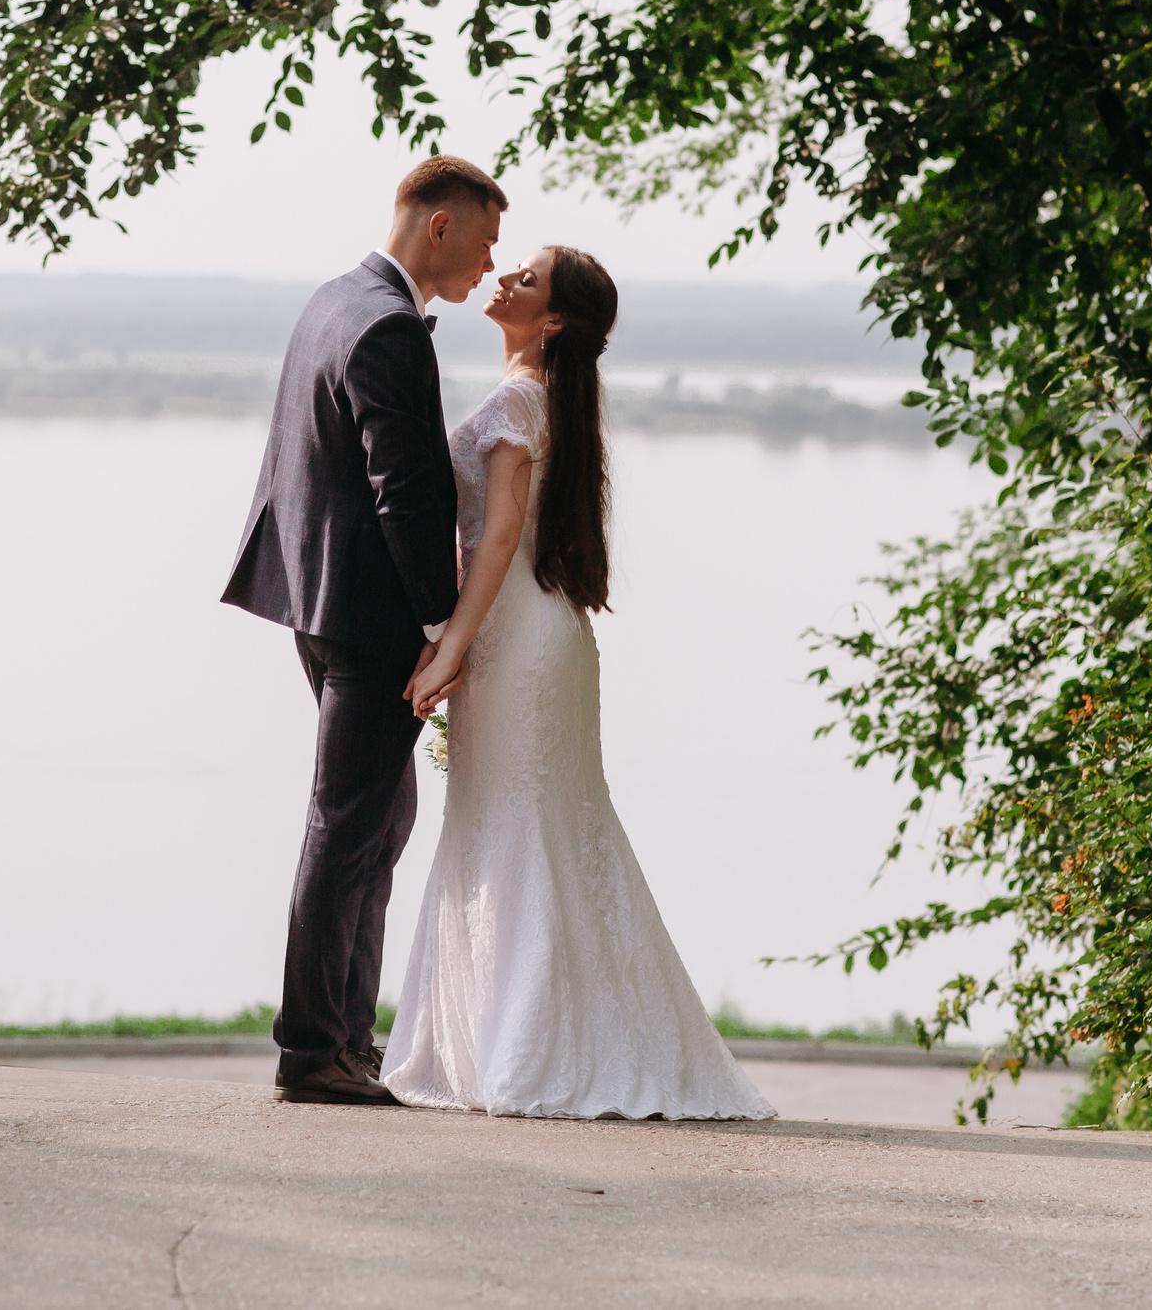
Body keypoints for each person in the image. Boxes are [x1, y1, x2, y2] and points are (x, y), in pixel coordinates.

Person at [385, 246, 776, 1121]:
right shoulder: (543, 396)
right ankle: (520, 1037)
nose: (507, 280)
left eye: (527, 280)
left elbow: (494, 541)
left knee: (524, 825)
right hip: (531, 634)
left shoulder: (524, 397)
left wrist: (448, 643)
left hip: (517, 640)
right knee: (524, 824)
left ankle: (527, 1048)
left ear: (553, 319)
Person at [222, 154, 506, 1105]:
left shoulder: (333, 300)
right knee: (348, 824)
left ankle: (349, 1033)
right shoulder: (388, 327)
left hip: (316, 597)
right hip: (374, 614)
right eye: (484, 236)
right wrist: (442, 623)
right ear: (439, 226)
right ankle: (313, 1050)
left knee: (380, 816)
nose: (488, 259)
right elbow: (406, 493)